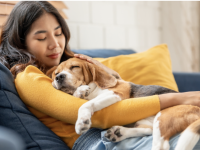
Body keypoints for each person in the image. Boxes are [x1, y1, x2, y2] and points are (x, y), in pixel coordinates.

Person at [1, 1, 200, 150]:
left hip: (131, 128)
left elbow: (118, 90)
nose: (55, 44)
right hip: (98, 140)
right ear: (21, 41)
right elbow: (103, 115)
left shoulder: (74, 63)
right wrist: (182, 97)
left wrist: (103, 72)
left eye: (59, 33)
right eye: (42, 37)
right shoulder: (28, 77)